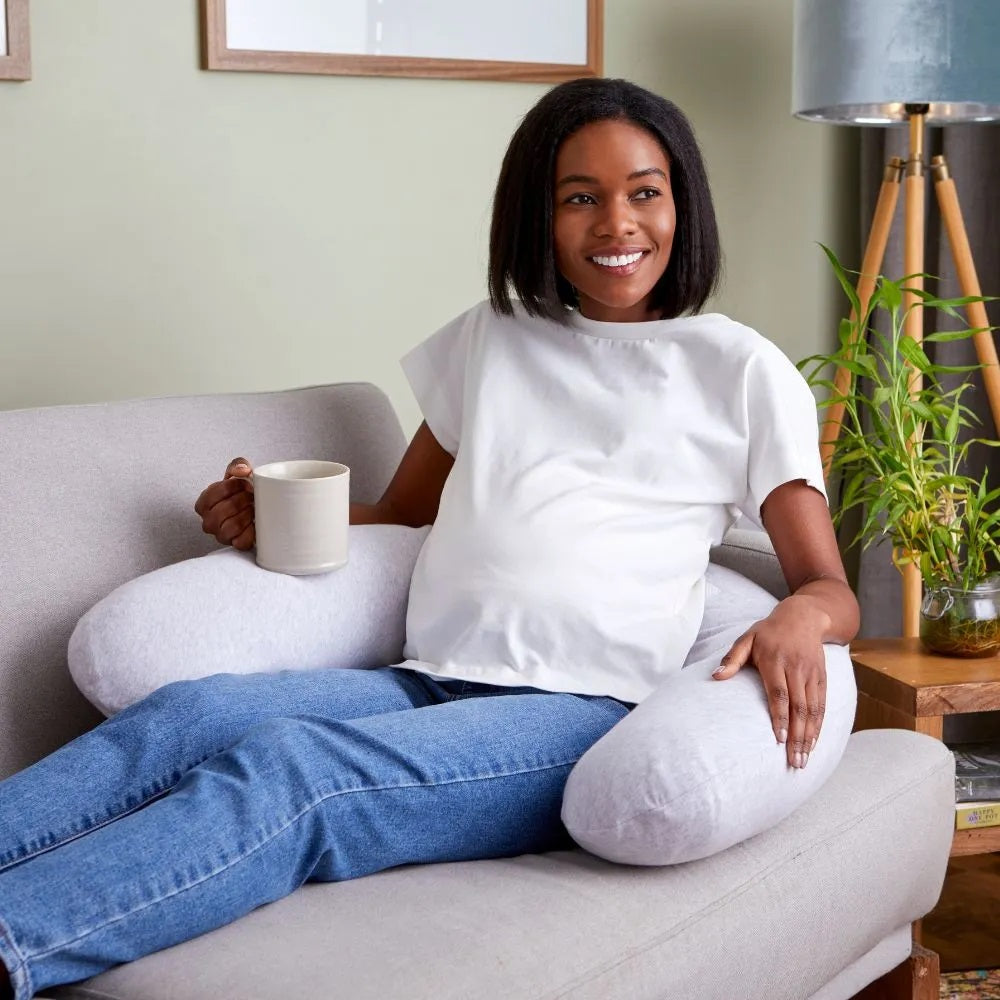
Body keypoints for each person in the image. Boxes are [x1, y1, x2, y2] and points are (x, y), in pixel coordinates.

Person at [0, 77, 859, 999]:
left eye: (645, 192)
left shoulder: (739, 369)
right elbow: (402, 513)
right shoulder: (490, 338)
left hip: (581, 712)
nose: (617, 223)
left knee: (299, 772)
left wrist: (798, 622)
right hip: (426, 678)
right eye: (581, 196)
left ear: (681, 204)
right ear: (538, 211)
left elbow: (830, 588)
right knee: (188, 715)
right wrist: (267, 516)